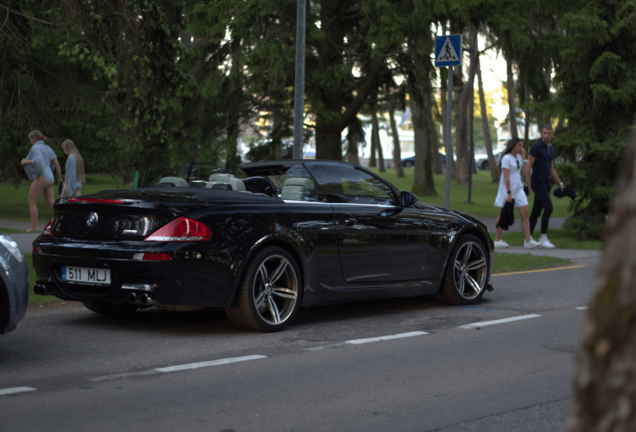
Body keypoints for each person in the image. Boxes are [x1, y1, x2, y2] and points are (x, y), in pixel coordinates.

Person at [493, 138, 541, 249]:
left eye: (522, 145)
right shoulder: (506, 158)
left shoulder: (519, 157)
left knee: (525, 213)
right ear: (513, 146)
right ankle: (497, 240)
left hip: (518, 189)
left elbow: (524, 172)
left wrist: (523, 159)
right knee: (503, 214)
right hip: (507, 190)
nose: (521, 147)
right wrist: (508, 193)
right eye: (519, 145)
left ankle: (528, 240)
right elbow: (506, 176)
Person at [528, 125, 564, 248]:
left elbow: (552, 168)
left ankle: (528, 239)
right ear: (541, 134)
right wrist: (528, 183)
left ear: (552, 135)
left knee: (536, 211)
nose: (547, 135)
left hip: (546, 183)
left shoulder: (551, 149)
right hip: (537, 181)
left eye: (549, 133)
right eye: (544, 133)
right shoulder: (536, 147)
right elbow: (528, 166)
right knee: (548, 207)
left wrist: (560, 183)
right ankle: (543, 237)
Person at [21, 130, 62, 232]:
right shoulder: (47, 148)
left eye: (30, 140)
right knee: (51, 203)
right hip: (51, 178)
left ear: (34, 139)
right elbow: (57, 164)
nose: (30, 142)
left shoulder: (35, 147)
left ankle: (34, 227)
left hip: (42, 177)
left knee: (31, 201)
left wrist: (25, 161)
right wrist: (59, 178)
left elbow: (37, 161)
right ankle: (64, 217)